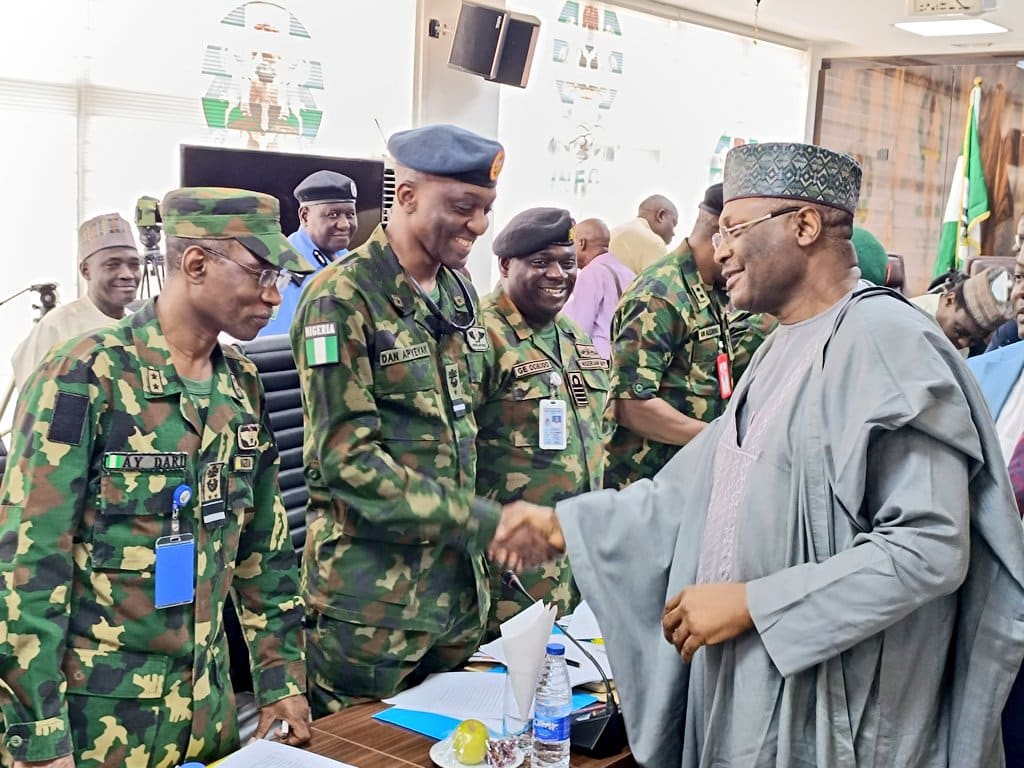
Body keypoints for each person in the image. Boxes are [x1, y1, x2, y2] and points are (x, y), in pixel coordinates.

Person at [492, 142, 1024, 767]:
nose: (717, 249)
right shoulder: (782, 347)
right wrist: (564, 524)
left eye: (735, 229)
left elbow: (928, 548)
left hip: (834, 713)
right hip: (752, 689)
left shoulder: (888, 343)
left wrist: (755, 604)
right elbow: (691, 488)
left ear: (803, 226)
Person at [0, 188, 315, 768]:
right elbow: (28, 564)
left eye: (280, 278)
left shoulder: (242, 384)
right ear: (196, 263)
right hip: (100, 724)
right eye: (261, 273)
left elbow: (263, 552)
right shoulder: (85, 374)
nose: (274, 295)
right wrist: (37, 735)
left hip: (211, 713)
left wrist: (281, 682)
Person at [291, 123, 556, 716]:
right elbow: (347, 462)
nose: (480, 226)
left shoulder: (457, 291)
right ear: (406, 197)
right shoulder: (342, 299)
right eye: (463, 207)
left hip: (456, 598)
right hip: (373, 611)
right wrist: (486, 520)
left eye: (487, 209)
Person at [474, 207, 608, 637]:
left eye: (568, 264)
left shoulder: (573, 337)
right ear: (505, 265)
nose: (558, 274)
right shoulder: (479, 338)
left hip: (575, 558)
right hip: (510, 564)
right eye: (541, 263)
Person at [603, 183, 772, 489]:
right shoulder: (662, 294)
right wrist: (718, 439)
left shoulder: (711, 291)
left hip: (687, 477)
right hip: (646, 484)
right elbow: (630, 405)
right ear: (725, 235)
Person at [11, 213, 141, 388]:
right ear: (86, 271)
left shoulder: (141, 327)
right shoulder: (58, 326)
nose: (127, 274)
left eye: (134, 264)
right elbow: (33, 400)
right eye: (112, 265)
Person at [259, 170, 358, 336]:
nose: (344, 224)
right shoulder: (284, 269)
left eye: (350, 214)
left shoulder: (346, 258)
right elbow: (275, 348)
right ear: (304, 216)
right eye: (333, 215)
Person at [560, 217, 634, 358]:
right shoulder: (629, 273)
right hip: (625, 360)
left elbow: (579, 329)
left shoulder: (591, 273)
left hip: (600, 363)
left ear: (582, 243)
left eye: (571, 242)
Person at [911, 267, 1013, 352]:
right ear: (950, 300)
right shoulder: (908, 322)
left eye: (973, 341)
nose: (964, 344)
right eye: (960, 331)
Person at [608, 194, 677, 273]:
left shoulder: (613, 233)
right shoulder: (653, 242)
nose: (673, 233)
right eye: (673, 223)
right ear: (661, 215)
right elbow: (662, 283)